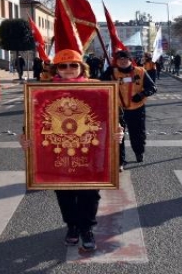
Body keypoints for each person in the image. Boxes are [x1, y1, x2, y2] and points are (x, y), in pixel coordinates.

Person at [20, 49, 123, 252]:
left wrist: (120, 132)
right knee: (64, 191)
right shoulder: (43, 90)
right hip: (58, 150)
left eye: (73, 65)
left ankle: (86, 228)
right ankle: (72, 226)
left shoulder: (98, 88)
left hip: (90, 150)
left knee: (90, 193)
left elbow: (115, 116)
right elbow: (33, 119)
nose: (68, 69)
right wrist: (26, 138)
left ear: (81, 67)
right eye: (63, 66)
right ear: (55, 68)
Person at [101, 49, 156, 168]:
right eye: (119, 59)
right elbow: (100, 84)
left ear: (130, 60)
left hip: (137, 108)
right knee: (118, 135)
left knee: (137, 133)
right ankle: (120, 161)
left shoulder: (140, 71)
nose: (122, 61)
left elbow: (152, 87)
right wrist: (106, 73)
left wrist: (141, 95)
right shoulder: (112, 72)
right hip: (118, 109)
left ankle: (139, 152)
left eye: (125, 58)